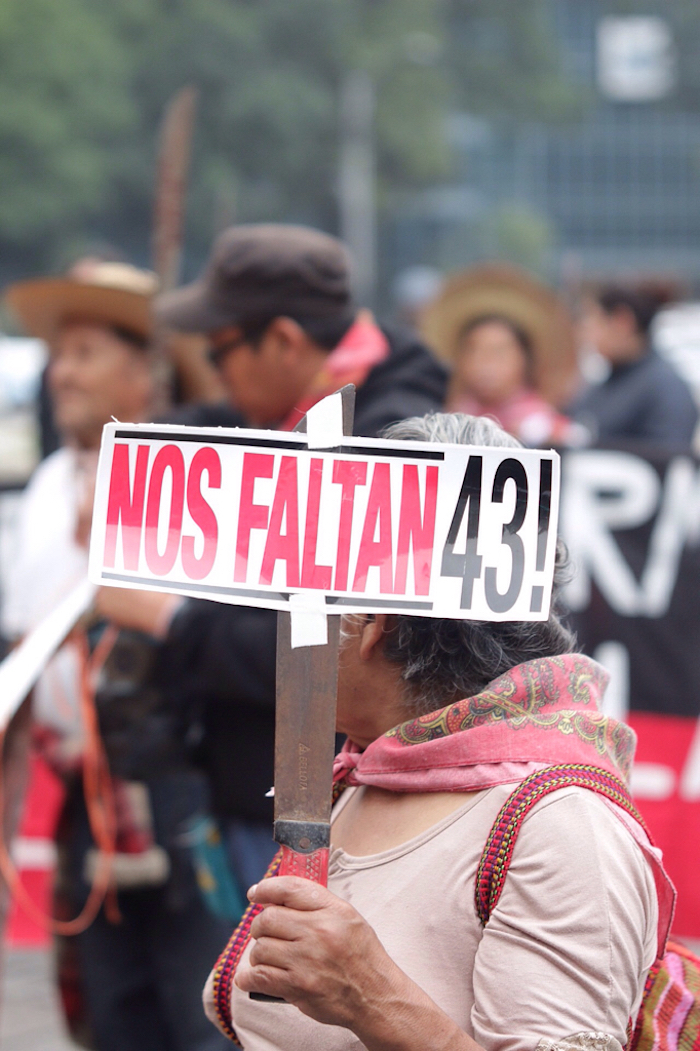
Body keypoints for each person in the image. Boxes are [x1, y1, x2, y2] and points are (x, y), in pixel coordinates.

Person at [203, 411, 673, 1051]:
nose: (282, 632)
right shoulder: (366, 773)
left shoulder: (563, 826)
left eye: (302, 598)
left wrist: (373, 1000)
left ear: (375, 622)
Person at [95, 223, 449, 896]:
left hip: (325, 810)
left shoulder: (390, 450)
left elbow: (342, 644)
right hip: (257, 783)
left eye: (220, 349)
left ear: (284, 340)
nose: (217, 374)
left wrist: (172, 616)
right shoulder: (297, 415)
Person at [1, 263, 230, 1051]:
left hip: (177, 783)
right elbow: (25, 662)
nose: (61, 372)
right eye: (58, 354)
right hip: (80, 800)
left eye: (86, 352)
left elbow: (211, 635)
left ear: (146, 370)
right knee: (111, 1017)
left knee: (202, 1013)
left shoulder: (200, 474)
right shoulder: (46, 487)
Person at [568, 285, 699, 446]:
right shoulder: (608, 379)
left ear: (622, 322)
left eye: (593, 322)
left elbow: (666, 457)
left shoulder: (666, 387)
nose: (586, 334)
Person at [447, 313, 584, 446]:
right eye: (474, 352)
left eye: (498, 353)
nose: (485, 364)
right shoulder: (452, 417)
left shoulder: (542, 422)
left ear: (524, 360)